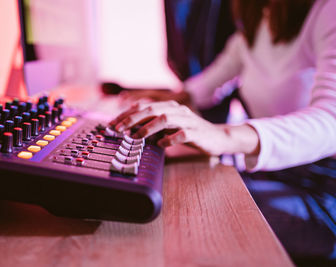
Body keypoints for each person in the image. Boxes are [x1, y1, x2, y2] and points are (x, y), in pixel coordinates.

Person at [110, 0, 336, 265]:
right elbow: (211, 83)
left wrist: (224, 136)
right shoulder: (259, 20)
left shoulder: (327, 9)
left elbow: (331, 121)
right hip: (273, 175)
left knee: (187, 216)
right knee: (175, 194)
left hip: (324, 194)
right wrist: (174, 99)